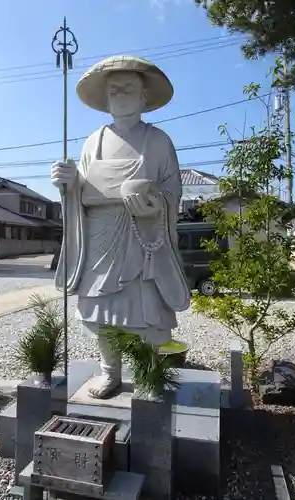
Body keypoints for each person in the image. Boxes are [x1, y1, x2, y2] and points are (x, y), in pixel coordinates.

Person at [51, 55, 190, 398]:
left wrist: (155, 202)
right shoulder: (92, 141)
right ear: (105, 99)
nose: (122, 93)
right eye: (115, 89)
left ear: (144, 97)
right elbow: (80, 191)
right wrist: (67, 184)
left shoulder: (158, 141)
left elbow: (173, 189)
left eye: (130, 87)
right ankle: (109, 372)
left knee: (148, 312)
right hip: (100, 239)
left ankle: (152, 373)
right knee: (103, 313)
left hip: (143, 238)